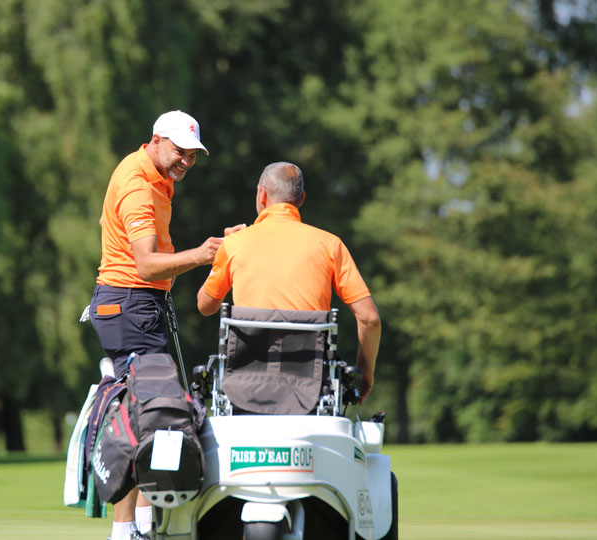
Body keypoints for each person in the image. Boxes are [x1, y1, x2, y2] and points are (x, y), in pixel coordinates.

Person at [89, 110, 234, 540]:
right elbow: (147, 264)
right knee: (144, 415)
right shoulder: (137, 185)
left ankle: (146, 525)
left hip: (138, 304)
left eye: (192, 155)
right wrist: (203, 255)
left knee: (152, 412)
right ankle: (127, 530)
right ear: (156, 140)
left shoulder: (155, 175)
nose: (185, 161)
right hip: (130, 304)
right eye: (179, 151)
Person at [197, 161, 381, 403]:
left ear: (262, 195)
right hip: (311, 386)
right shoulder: (330, 244)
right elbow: (370, 319)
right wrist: (365, 373)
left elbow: (205, 306)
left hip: (245, 386)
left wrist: (223, 254)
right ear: (301, 199)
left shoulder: (235, 243)